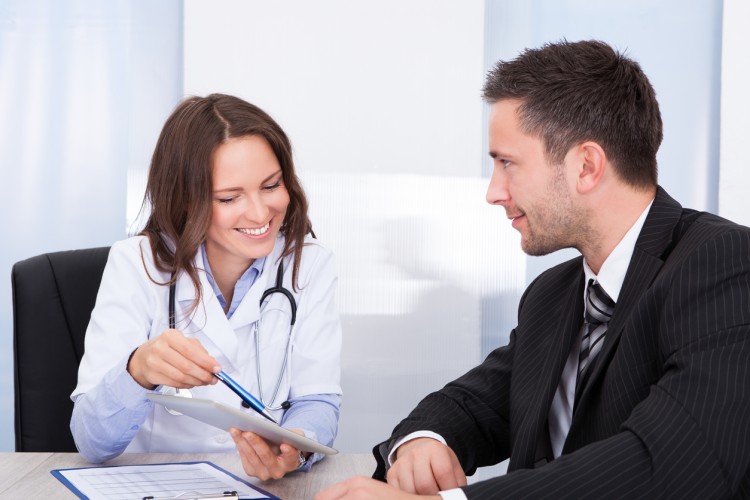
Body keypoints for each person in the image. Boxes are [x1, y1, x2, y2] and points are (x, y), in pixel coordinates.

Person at [316, 40, 750, 499]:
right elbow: (475, 403)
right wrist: (425, 439)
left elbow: (670, 465)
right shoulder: (555, 293)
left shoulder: (725, 266)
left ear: (586, 166)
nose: (493, 192)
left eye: (508, 163)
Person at [71, 93, 342, 481]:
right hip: (156, 486)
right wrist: (139, 370)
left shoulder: (309, 263)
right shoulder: (136, 263)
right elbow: (92, 442)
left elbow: (317, 400)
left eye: (271, 185)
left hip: (264, 487)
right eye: (230, 197)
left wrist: (294, 448)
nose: (260, 212)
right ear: (185, 200)